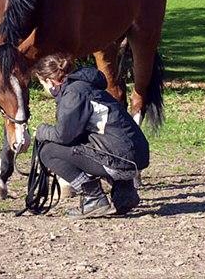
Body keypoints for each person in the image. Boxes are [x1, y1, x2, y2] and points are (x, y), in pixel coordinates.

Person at [33, 54, 149, 218]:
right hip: (136, 156)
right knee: (90, 141)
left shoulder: (74, 94)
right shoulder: (88, 88)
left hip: (120, 159)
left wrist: (42, 131)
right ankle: (125, 193)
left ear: (50, 81)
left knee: (48, 150)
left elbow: (64, 136)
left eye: (42, 83)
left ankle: (93, 197)